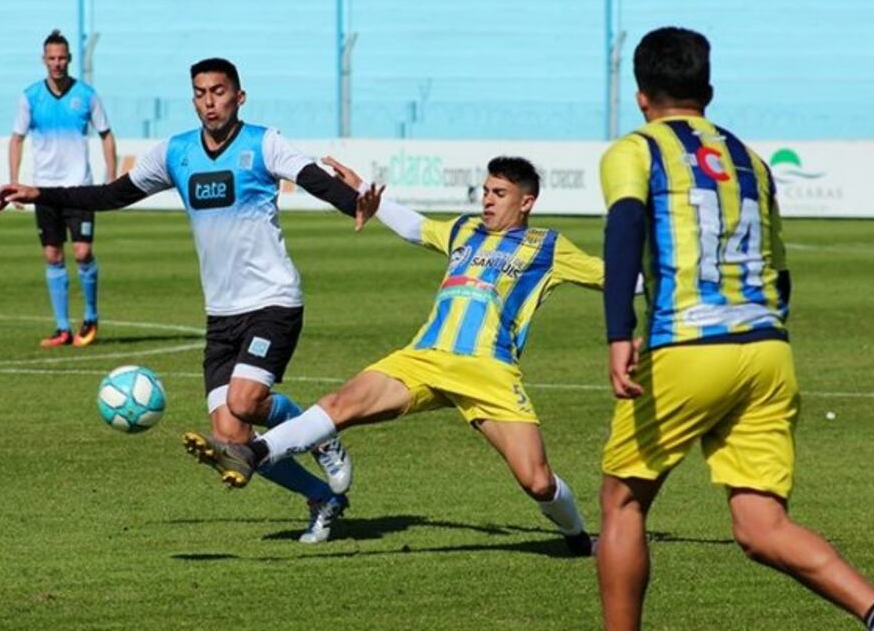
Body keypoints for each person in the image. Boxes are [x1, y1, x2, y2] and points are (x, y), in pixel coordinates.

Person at [597, 26, 874, 631]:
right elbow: (780, 274)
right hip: (766, 352)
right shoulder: (750, 161)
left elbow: (624, 226)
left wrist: (617, 329)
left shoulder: (635, 149)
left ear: (640, 94)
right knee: (762, 527)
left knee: (623, 502)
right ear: (707, 88)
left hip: (685, 345)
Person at [0, 57, 360, 543]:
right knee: (231, 439)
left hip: (272, 299)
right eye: (201, 93)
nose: (210, 102)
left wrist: (353, 202)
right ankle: (322, 499)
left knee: (246, 400)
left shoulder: (263, 142)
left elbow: (312, 176)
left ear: (239, 96)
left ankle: (322, 432)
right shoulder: (176, 153)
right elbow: (112, 194)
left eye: (219, 92)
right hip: (221, 313)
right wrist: (40, 192)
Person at [182, 155, 603, 555]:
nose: (487, 200)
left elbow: (611, 277)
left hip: (487, 370)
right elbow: (415, 227)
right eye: (486, 191)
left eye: (499, 193)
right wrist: (363, 188)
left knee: (537, 482)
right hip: (423, 359)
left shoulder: (546, 246)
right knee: (339, 404)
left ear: (526, 202)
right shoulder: (463, 230)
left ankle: (579, 538)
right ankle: (249, 454)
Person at [9, 29, 117, 348]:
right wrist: (15, 180)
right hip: (44, 189)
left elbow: (106, 135)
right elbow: (16, 139)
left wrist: (110, 178)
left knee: (83, 252)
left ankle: (91, 318)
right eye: (51, 58)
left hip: (79, 188)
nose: (57, 63)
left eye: (62, 58)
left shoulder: (86, 95)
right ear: (44, 60)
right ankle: (62, 328)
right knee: (53, 255)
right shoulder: (30, 96)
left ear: (69, 59)